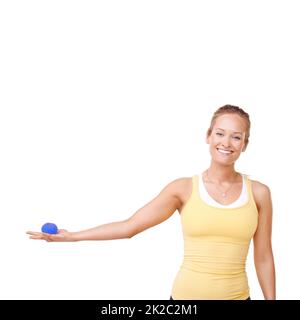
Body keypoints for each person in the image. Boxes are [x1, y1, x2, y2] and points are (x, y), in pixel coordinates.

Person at [27, 105, 276, 300]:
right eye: (220, 133)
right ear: (208, 136)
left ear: (245, 144)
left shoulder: (259, 193)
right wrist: (72, 236)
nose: (226, 142)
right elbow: (130, 227)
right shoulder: (183, 189)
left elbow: (263, 256)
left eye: (236, 137)